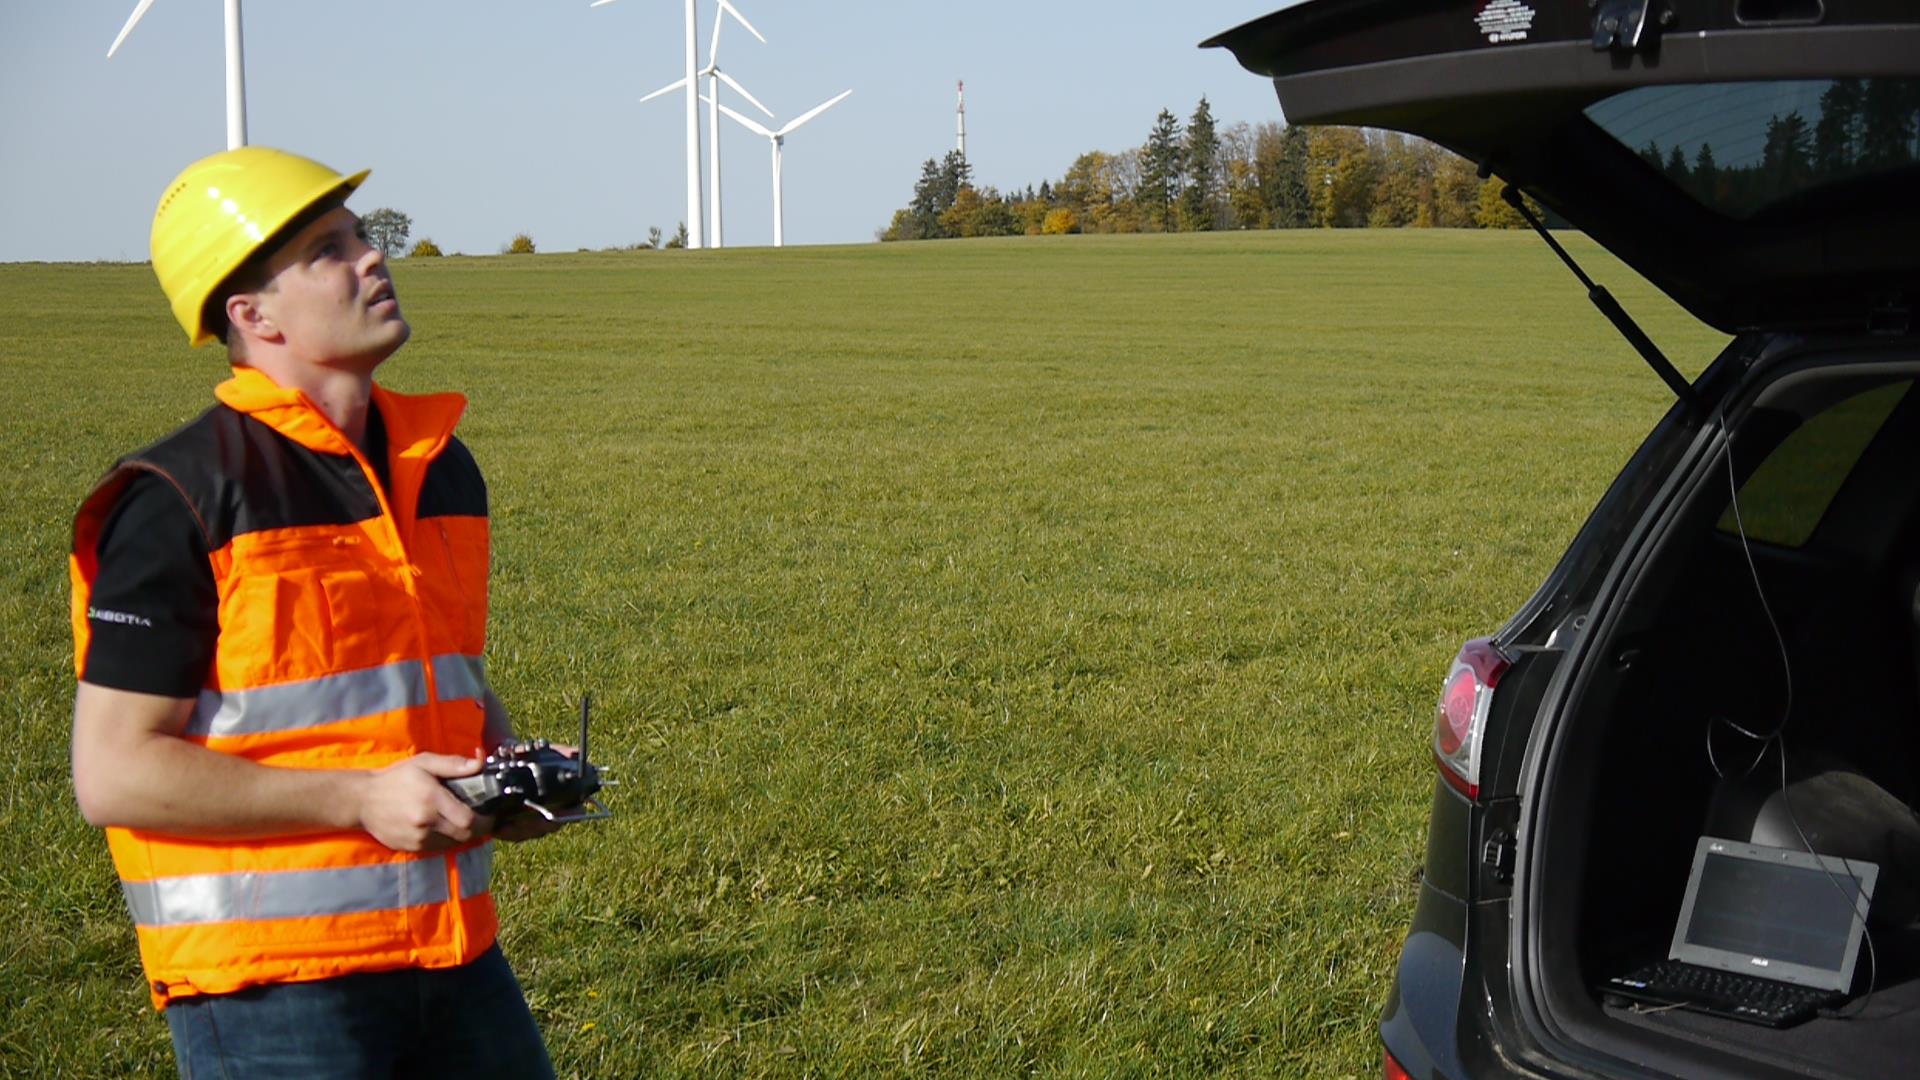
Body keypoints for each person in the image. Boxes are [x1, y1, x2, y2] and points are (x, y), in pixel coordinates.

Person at [68, 146, 559, 1077]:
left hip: (452, 950)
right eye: (328, 250)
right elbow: (113, 774)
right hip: (275, 988)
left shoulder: (438, 467)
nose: (372, 257)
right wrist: (360, 799)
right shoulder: (180, 498)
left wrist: (507, 773)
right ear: (252, 316)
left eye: (362, 235)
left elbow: (440, 676)